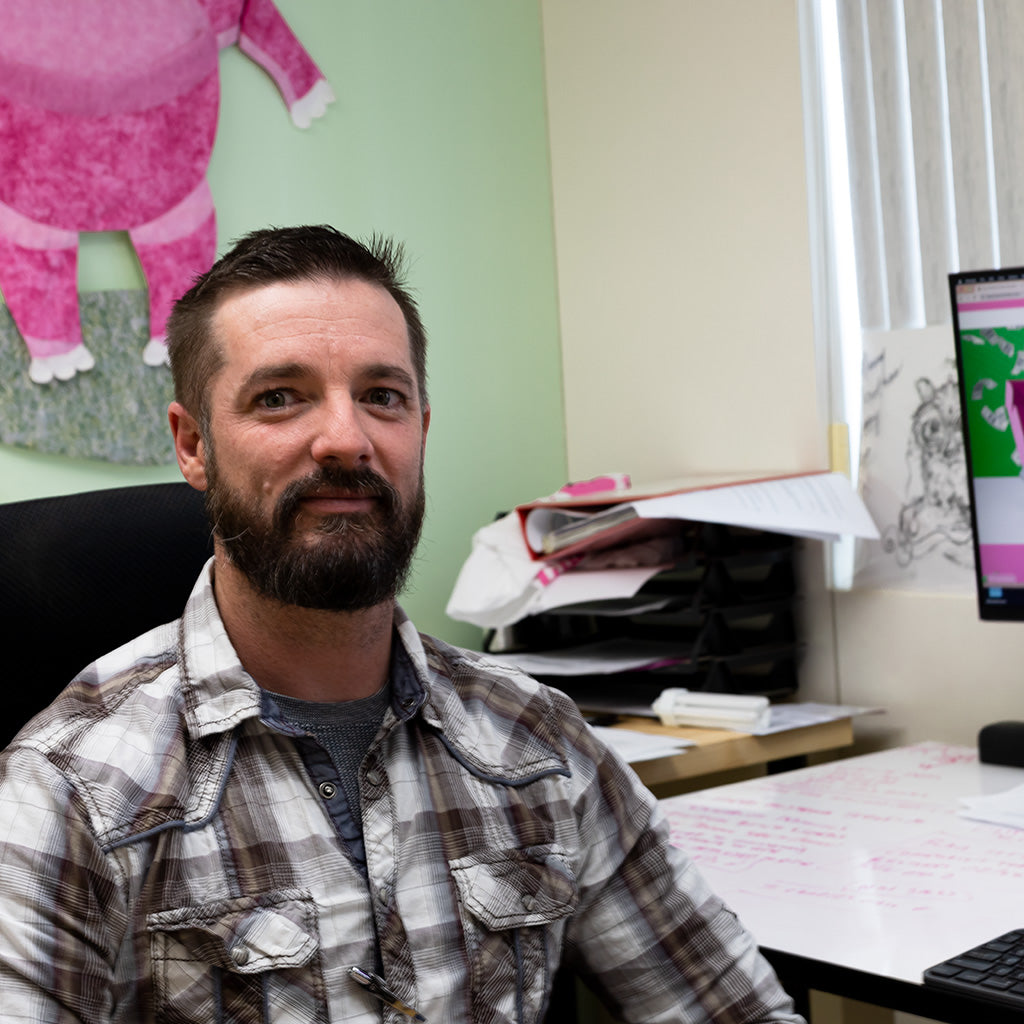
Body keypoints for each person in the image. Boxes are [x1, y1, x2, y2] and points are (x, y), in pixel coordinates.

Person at [0, 225, 804, 1023]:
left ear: (422, 428)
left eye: (383, 396)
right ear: (193, 445)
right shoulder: (71, 792)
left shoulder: (536, 743)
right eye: (279, 397)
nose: (347, 440)